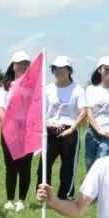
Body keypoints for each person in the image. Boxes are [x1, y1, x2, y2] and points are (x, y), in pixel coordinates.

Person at [36, 56, 85, 201]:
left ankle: (64, 196)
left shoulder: (77, 90)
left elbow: (83, 112)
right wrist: (47, 124)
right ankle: (43, 195)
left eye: (62, 69)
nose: (58, 71)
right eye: (55, 69)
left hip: (70, 130)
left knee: (68, 166)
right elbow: (40, 111)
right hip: (50, 130)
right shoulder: (48, 89)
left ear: (69, 71)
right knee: (44, 165)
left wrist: (72, 129)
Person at [0, 51, 34, 212]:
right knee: (10, 166)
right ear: (13, 65)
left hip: (27, 132)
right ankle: (10, 200)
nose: (22, 66)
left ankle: (21, 200)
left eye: (26, 63)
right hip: (9, 132)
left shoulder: (34, 86)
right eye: (19, 63)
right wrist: (10, 126)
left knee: (25, 167)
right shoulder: (4, 86)